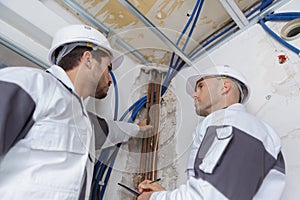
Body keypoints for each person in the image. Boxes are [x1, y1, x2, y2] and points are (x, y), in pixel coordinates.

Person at [0, 24, 127, 199]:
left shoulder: (81, 120)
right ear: (88, 59)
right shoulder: (33, 84)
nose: (110, 79)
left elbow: (110, 131)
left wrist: (141, 129)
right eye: (108, 68)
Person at [137, 65, 286, 200]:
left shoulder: (236, 124)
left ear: (224, 87)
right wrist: (163, 193)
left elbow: (212, 195)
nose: (194, 95)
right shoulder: (232, 125)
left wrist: (155, 198)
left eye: (201, 86)